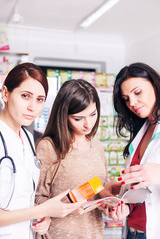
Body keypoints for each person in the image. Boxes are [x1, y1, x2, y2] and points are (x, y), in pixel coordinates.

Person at [0, 63, 86, 239]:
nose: (33, 107)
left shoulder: (27, 138)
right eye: (25, 96)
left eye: (40, 99)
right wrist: (41, 209)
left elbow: (24, 198)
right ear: (5, 93)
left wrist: (43, 216)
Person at [35, 79, 108, 239]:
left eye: (93, 114)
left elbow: (100, 189)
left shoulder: (97, 146)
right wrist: (62, 207)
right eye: (78, 118)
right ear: (64, 116)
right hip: (58, 234)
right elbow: (36, 197)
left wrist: (110, 203)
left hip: (94, 234)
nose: (88, 124)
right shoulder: (49, 147)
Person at [105, 62, 160, 239]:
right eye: (126, 99)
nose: (132, 103)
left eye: (137, 92)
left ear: (155, 84)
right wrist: (125, 206)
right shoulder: (142, 130)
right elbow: (142, 191)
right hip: (134, 232)